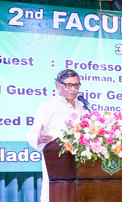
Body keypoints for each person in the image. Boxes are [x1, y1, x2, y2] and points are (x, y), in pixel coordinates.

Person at [26, 69, 85, 202]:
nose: (73, 89)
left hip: (78, 162)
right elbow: (32, 134)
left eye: (76, 85)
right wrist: (39, 139)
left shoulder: (80, 107)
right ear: (58, 85)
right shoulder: (48, 106)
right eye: (68, 85)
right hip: (56, 160)